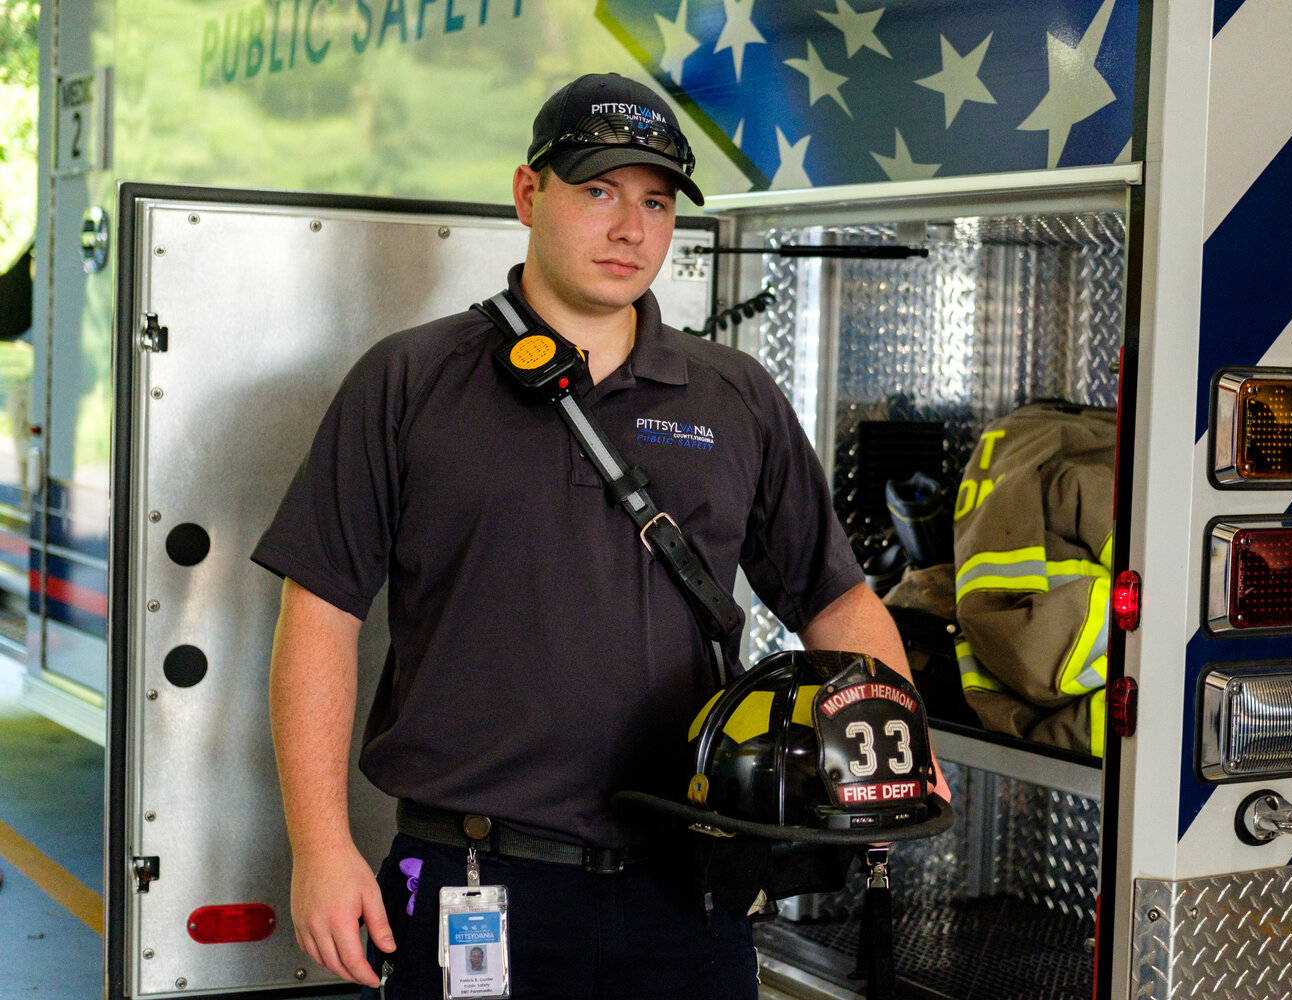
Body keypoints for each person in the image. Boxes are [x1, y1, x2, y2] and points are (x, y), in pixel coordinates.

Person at [254, 72, 947, 1000]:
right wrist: (321, 846)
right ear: (528, 193)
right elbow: (321, 610)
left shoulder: (733, 398)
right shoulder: (410, 381)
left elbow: (835, 599)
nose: (630, 228)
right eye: (598, 192)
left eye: (656, 202)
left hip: (689, 891)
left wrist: (894, 735)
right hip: (472, 881)